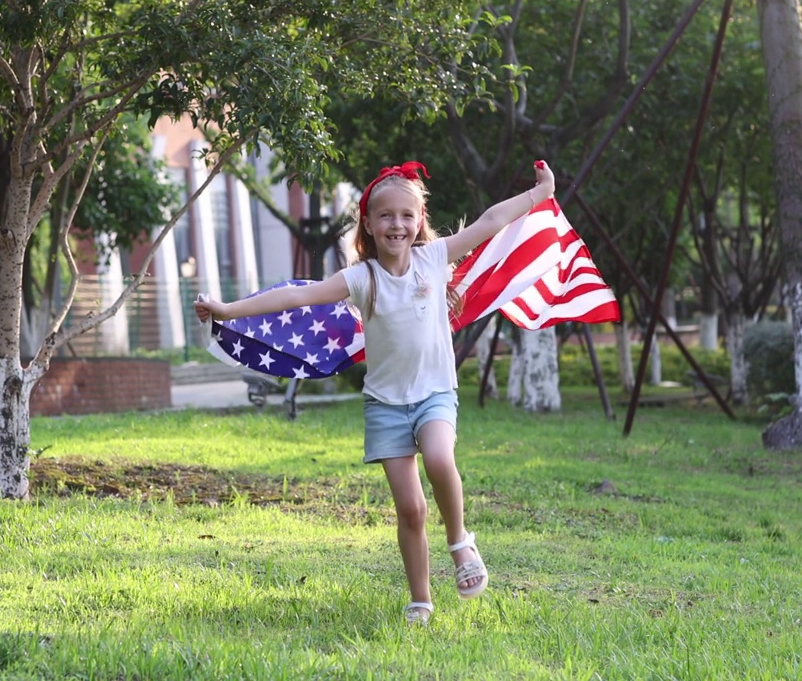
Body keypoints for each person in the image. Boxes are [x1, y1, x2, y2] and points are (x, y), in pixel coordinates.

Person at [194, 159, 556, 625]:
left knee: (441, 460)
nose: (397, 224)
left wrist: (539, 194)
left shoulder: (433, 258)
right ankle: (420, 599)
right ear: (368, 223)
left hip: (434, 396)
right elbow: (295, 297)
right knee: (410, 508)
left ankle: (461, 543)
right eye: (386, 216)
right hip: (386, 406)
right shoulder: (362, 278)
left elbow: (490, 222)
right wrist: (227, 309)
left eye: (407, 215)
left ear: (419, 221)